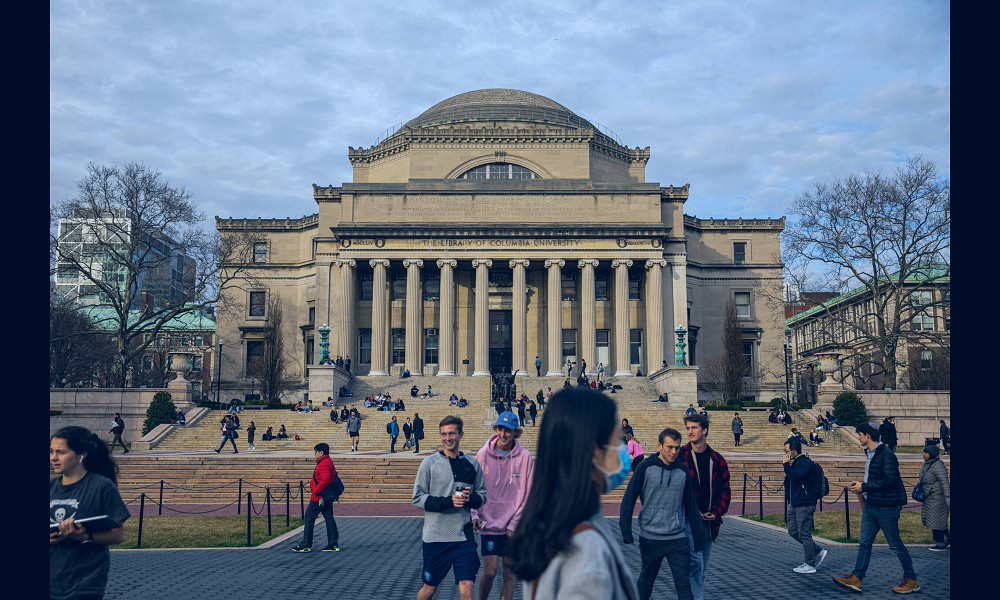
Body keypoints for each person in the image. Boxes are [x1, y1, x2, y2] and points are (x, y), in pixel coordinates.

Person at [508, 387, 640, 600]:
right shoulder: (586, 553)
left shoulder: (547, 525)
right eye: (618, 441)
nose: (623, 451)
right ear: (595, 452)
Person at [620, 427, 706, 600]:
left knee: (684, 587)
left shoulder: (682, 472)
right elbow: (629, 499)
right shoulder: (645, 468)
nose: (674, 452)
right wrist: (626, 531)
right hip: (651, 538)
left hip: (677, 539)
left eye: (677, 447)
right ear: (659, 445)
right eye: (669, 447)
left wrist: (698, 537)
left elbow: (691, 505)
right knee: (645, 584)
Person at [833, 423, 918, 594]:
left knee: (895, 545)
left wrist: (864, 486)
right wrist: (863, 487)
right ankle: (857, 578)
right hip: (871, 506)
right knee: (864, 543)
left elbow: (890, 480)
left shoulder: (887, 454)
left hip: (886, 507)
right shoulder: (870, 453)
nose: (858, 438)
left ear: (867, 436)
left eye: (860, 435)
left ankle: (911, 580)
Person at [50, 426, 131, 600]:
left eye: (61, 452)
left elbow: (117, 535)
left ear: (81, 455)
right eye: (52, 451)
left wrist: (85, 536)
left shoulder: (102, 487)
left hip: (85, 583)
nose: (53, 458)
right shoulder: (50, 488)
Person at [412, 416, 487, 600]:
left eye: (452, 433)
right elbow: (417, 498)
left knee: (467, 587)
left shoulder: (472, 464)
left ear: (461, 434)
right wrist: (448, 502)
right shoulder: (429, 464)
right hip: (436, 537)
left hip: (463, 537)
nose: (448, 438)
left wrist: (470, 499)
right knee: (429, 590)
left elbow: (483, 496)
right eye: (444, 434)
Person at [471, 411, 534, 600]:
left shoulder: (525, 457)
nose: (503, 434)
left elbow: (529, 493)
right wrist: (474, 514)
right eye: (500, 429)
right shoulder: (483, 454)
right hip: (488, 523)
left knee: (509, 574)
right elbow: (473, 486)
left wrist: (515, 523)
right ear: (495, 429)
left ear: (515, 432)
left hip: (512, 526)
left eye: (508, 430)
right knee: (490, 572)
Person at [678, 413, 730, 600]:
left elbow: (725, 492)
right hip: (687, 521)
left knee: (700, 569)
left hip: (708, 524)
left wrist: (715, 512)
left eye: (694, 428)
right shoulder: (680, 456)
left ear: (704, 430)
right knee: (696, 565)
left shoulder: (717, 460)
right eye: (688, 428)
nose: (689, 431)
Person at [782, 438, 827, 574]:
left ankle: (810, 564)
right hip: (795, 502)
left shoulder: (805, 463)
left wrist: (786, 465)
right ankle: (817, 550)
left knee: (804, 534)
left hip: (805, 503)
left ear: (794, 451)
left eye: (787, 451)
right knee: (793, 530)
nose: (785, 454)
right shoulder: (795, 462)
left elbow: (795, 476)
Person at [291, 443, 341, 552]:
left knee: (309, 517)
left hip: (319, 497)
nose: (315, 455)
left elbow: (325, 480)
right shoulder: (327, 462)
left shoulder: (324, 464)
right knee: (328, 517)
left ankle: (306, 545)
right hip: (325, 496)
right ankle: (333, 544)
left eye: (316, 452)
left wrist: (316, 491)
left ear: (321, 453)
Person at [918, 445, 950, 551]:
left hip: (938, 498)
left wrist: (947, 497)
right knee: (934, 521)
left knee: (937, 521)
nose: (923, 454)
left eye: (926, 452)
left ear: (931, 454)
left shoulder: (938, 466)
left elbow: (944, 482)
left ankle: (940, 544)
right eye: (923, 452)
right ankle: (946, 539)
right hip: (929, 497)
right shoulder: (926, 464)